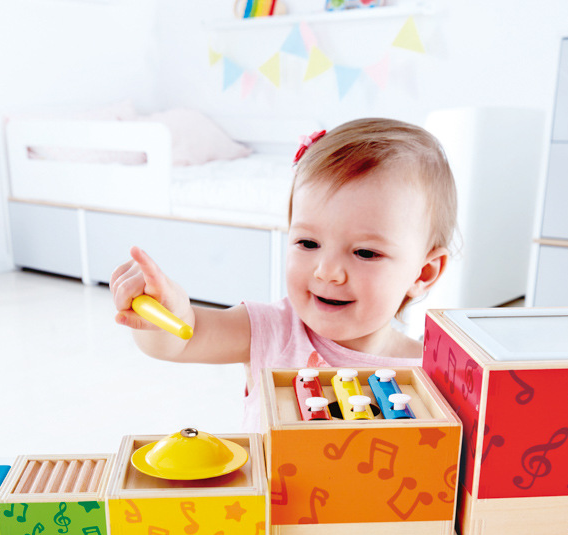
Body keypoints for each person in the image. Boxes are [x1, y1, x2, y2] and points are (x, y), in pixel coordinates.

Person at [109, 117, 458, 428]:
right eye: (308, 243)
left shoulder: (432, 372)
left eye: (365, 252)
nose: (327, 272)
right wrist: (166, 313)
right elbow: (184, 340)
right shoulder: (271, 330)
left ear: (423, 273)